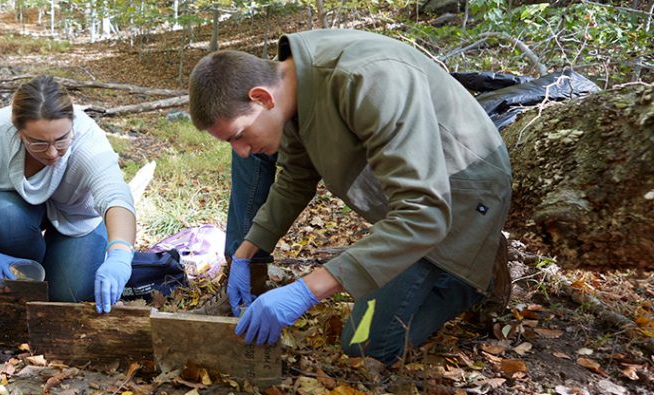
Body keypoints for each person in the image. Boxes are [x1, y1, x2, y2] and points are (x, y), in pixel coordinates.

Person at [188, 29, 513, 365]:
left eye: (238, 136)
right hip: (412, 203)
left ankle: (474, 276)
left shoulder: (368, 78)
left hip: (464, 195)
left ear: (262, 98)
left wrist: (305, 291)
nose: (240, 151)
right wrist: (247, 251)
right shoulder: (297, 86)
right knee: (364, 333)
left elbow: (423, 213)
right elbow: (297, 177)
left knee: (366, 343)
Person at [0, 75, 136, 313]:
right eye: (38, 143)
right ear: (19, 133)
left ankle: (62, 264)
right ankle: (26, 269)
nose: (51, 153)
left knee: (66, 295)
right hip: (15, 215)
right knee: (1, 213)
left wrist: (120, 254)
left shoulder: (88, 140)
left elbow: (116, 197)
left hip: (77, 218)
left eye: (61, 141)